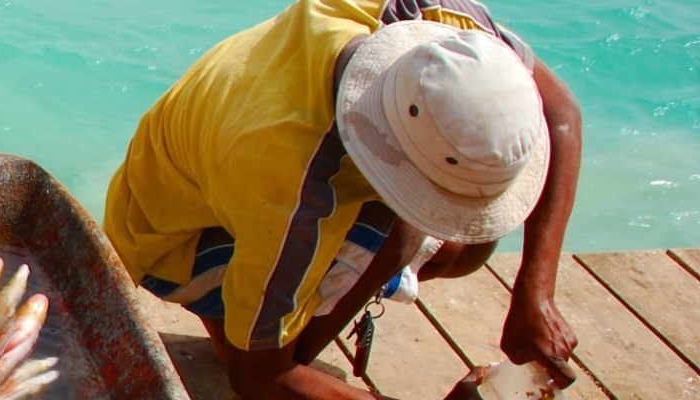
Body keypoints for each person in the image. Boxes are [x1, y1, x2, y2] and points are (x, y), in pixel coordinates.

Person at [102, 0, 582, 398]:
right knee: (398, 236)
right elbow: (256, 380)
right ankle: (267, 333)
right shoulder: (294, 186)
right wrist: (279, 365)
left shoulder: (437, 21)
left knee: (466, 246)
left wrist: (534, 290)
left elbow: (560, 113)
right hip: (168, 241)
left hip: (204, 174)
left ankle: (266, 324)